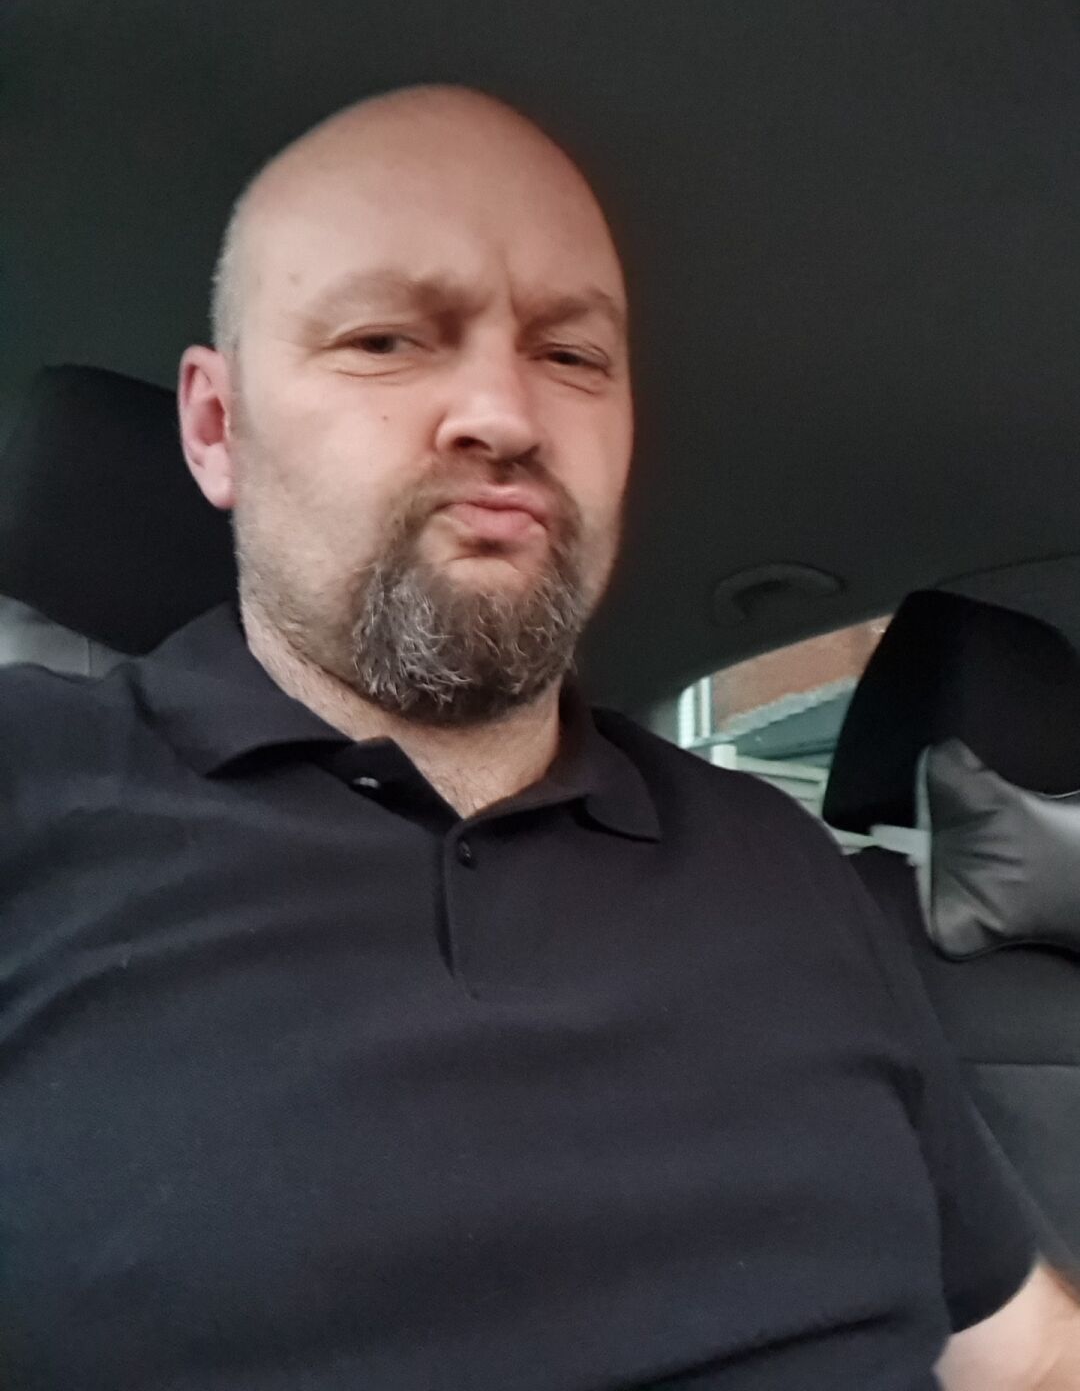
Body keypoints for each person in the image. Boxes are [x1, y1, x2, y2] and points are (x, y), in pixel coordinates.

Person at [1, 85, 1077, 1390]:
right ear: (216, 427)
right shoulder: (34, 791)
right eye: (388, 338)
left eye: (572, 356)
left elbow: (1028, 1356)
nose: (506, 415)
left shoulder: (785, 868)